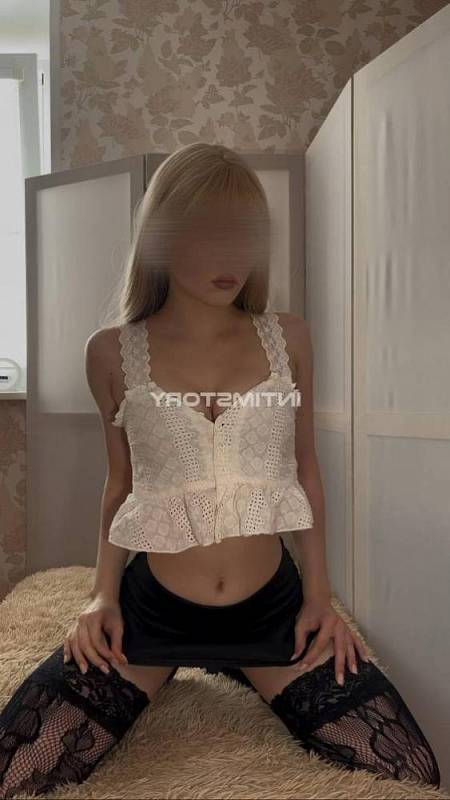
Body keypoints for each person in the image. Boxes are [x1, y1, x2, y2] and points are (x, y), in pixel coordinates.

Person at [0, 143, 440, 797]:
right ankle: (180, 662)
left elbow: (305, 469)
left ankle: (239, 664)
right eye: (208, 233)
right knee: (16, 766)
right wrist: (102, 597)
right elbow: (121, 483)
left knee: (410, 766)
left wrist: (319, 596)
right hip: (154, 612)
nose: (231, 256)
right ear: (161, 236)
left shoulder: (289, 337)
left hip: (272, 612)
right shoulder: (112, 352)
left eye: (245, 235)